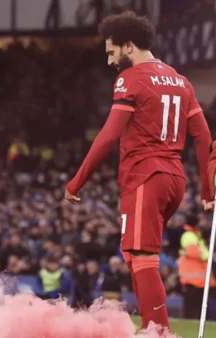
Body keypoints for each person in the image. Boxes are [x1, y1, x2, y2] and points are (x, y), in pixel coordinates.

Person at [64, 11, 212, 333]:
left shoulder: (130, 79)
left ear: (128, 45)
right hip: (174, 180)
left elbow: (108, 135)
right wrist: (207, 191)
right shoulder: (181, 81)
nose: (108, 61)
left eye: (111, 51)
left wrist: (77, 182)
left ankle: (158, 331)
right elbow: (202, 136)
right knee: (133, 256)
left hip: (145, 177)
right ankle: (151, 327)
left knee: (143, 258)